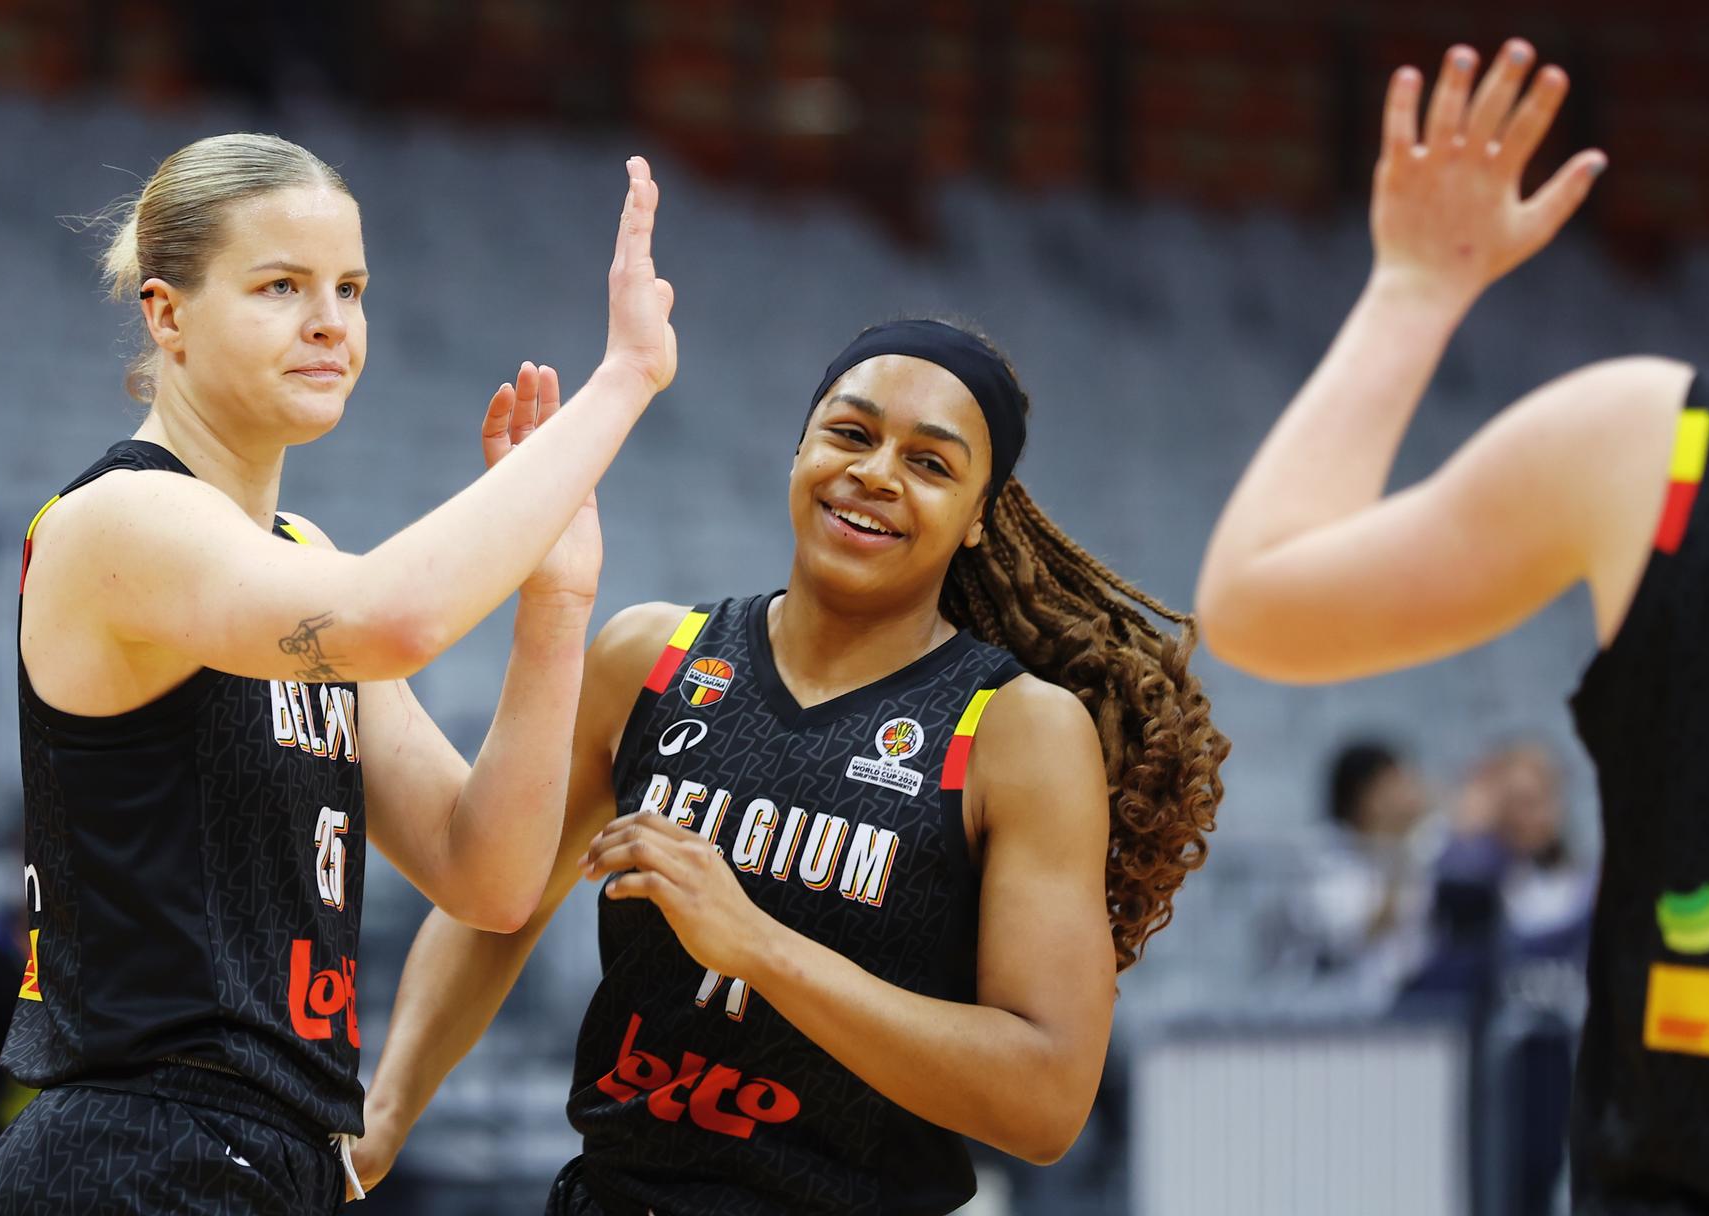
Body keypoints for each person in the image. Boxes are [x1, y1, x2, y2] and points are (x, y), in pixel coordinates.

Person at [354, 318, 1227, 1214]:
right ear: (799, 448)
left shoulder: (1017, 731)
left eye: (931, 463)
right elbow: (501, 905)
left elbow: (1046, 1103)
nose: (877, 472)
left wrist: (760, 947)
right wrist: (386, 1112)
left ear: (977, 520)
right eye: (850, 433)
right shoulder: (651, 655)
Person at [0, 136, 678, 1214]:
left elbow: (487, 874)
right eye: (280, 286)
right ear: (168, 315)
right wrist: (622, 383)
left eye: (351, 287)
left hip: (274, 1151)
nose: (331, 321)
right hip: (135, 1145)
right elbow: (396, 620)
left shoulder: (305, 556)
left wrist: (554, 601)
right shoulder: (119, 519)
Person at [1196, 36, 1709, 1212]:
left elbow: (1255, 601)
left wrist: (1415, 291)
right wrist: (1412, 290)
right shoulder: (1653, 446)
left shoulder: (1650, 441)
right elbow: (1256, 604)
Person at [1270, 739, 1434, 1005]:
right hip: (1334, 1012)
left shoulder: (1421, 845)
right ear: (1368, 795)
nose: (1409, 794)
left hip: (1407, 1007)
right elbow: (1360, 934)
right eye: (1396, 784)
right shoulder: (1321, 857)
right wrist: (1399, 854)